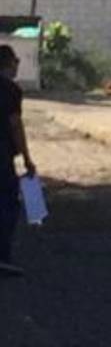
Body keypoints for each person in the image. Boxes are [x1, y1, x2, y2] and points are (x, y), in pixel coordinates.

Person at [0, 45, 35, 276]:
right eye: (16, 62)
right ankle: (2, 256)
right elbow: (15, 125)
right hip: (2, 157)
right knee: (8, 203)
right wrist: (27, 158)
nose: (17, 66)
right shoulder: (11, 90)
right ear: (7, 63)